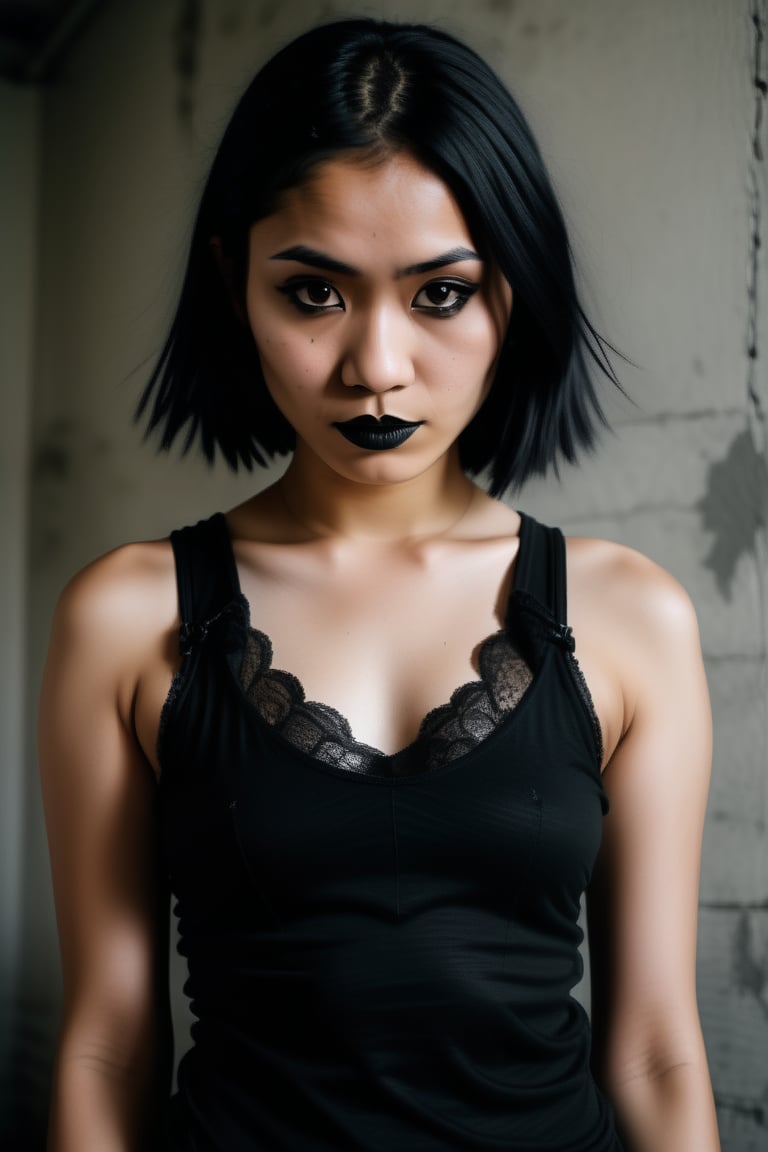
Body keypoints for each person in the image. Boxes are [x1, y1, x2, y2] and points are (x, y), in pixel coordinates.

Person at [39, 17, 720, 1152]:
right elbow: (107, 1043)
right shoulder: (124, 617)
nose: (376, 366)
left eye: (440, 294)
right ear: (232, 279)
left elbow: (655, 1051)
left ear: (517, 290)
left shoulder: (630, 616)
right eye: (313, 294)